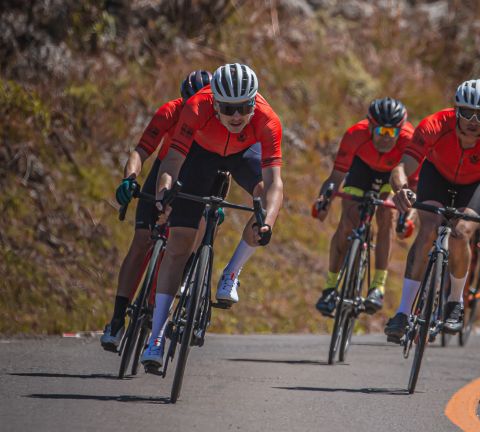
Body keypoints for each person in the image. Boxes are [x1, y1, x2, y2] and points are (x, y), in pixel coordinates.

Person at [140, 63, 284, 368]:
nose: (236, 116)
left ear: (254, 101)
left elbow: (274, 184)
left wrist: (267, 222)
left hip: (244, 154)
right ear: (214, 102)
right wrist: (165, 191)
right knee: (179, 243)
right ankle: (156, 336)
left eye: (244, 107)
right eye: (228, 108)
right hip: (200, 154)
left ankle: (231, 272)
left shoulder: (267, 120)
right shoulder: (196, 107)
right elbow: (173, 160)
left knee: (262, 198)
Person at [384, 79, 480, 341]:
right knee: (429, 230)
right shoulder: (435, 124)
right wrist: (401, 190)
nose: (473, 120)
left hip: (477, 183)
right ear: (456, 110)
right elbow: (402, 167)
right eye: (466, 112)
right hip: (437, 175)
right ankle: (402, 312)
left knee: (460, 233)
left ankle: (455, 303)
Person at [100, 70, 212, 352]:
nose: (193, 112)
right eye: (188, 105)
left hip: (194, 178)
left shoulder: (217, 121)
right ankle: (116, 319)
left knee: (187, 237)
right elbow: (140, 152)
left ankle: (171, 292)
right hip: (163, 172)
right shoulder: (170, 111)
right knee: (141, 242)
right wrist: (130, 178)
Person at [313, 97, 416, 316]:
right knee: (347, 222)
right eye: (380, 131)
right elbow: (336, 177)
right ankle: (330, 288)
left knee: (387, 216)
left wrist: (408, 216)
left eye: (391, 133)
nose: (385, 139)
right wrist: (324, 201)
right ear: (369, 125)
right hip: (362, 170)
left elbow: (413, 186)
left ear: (401, 131)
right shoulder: (355, 135)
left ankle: (377, 287)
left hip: (394, 176)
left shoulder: (409, 140)